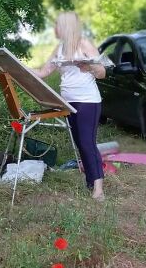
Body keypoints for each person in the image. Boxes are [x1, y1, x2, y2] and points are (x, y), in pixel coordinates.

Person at [35, 11, 108, 200]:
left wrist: (88, 66)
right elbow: (43, 72)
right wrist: (16, 67)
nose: (54, 29)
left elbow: (102, 73)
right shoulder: (59, 48)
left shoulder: (84, 44)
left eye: (56, 25)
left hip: (88, 101)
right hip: (68, 102)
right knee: (79, 143)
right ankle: (90, 181)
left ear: (66, 26)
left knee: (86, 142)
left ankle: (98, 189)